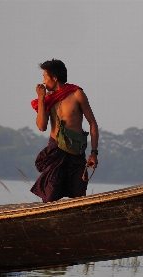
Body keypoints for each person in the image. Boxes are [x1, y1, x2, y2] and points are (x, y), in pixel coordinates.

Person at [30, 59, 99, 202]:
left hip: (76, 151)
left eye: (45, 77)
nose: (43, 81)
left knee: (78, 196)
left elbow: (92, 124)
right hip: (56, 149)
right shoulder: (48, 99)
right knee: (50, 196)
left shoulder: (77, 94)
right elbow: (41, 126)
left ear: (54, 78)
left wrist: (93, 153)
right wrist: (41, 98)